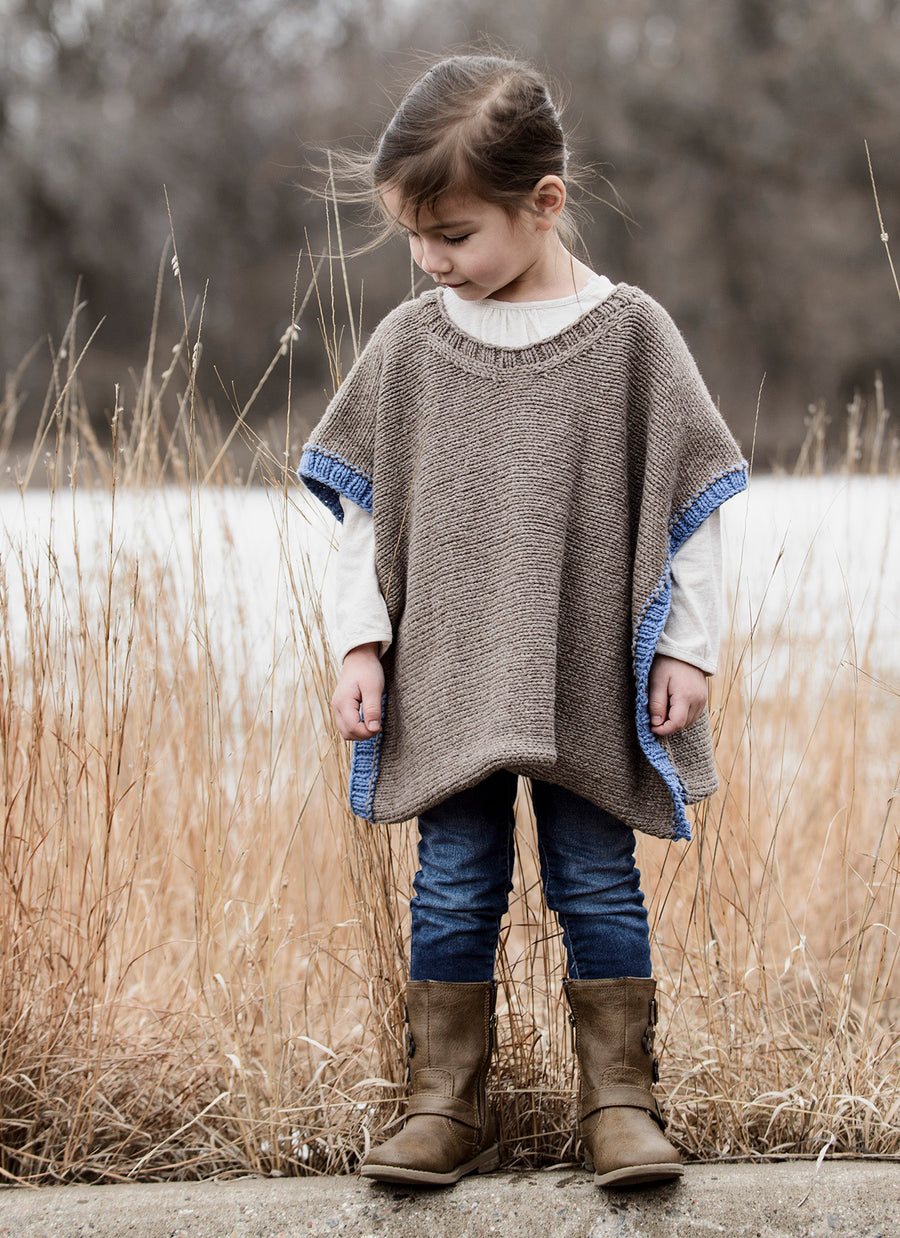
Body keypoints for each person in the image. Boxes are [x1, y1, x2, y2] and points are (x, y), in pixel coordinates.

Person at [299, 54, 746, 1189]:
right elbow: (359, 507)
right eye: (416, 237)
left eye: (452, 233)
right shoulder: (411, 344)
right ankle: (441, 1103)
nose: (429, 260)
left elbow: (692, 499)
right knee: (453, 879)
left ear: (543, 202)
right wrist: (359, 642)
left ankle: (622, 1102)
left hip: (585, 671)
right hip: (448, 672)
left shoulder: (632, 334)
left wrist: (688, 643)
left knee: (597, 877)